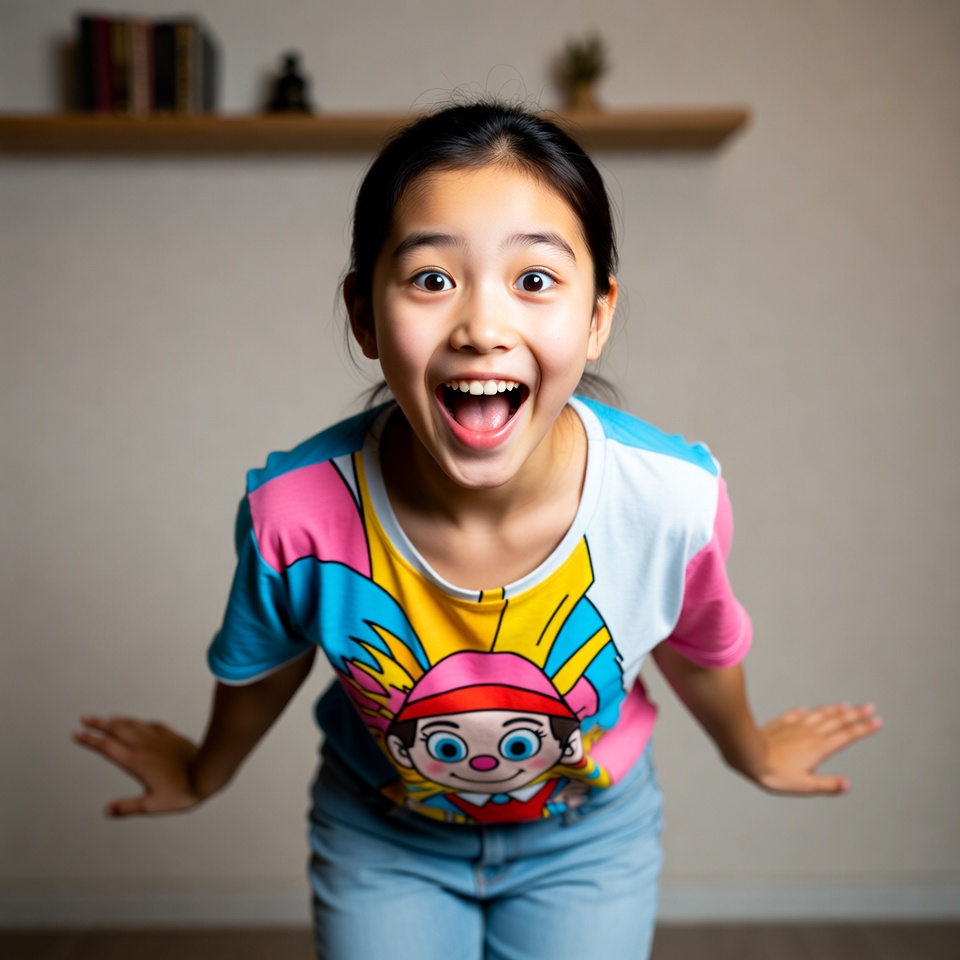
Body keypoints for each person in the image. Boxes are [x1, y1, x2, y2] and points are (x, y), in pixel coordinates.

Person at [74, 100, 881, 960]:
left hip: (588, 837)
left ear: (598, 315)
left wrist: (752, 753)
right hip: (381, 836)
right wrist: (204, 772)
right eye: (432, 279)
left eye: (534, 280)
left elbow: (693, 645)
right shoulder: (295, 513)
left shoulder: (671, 500)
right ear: (363, 315)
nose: (482, 329)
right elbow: (267, 664)